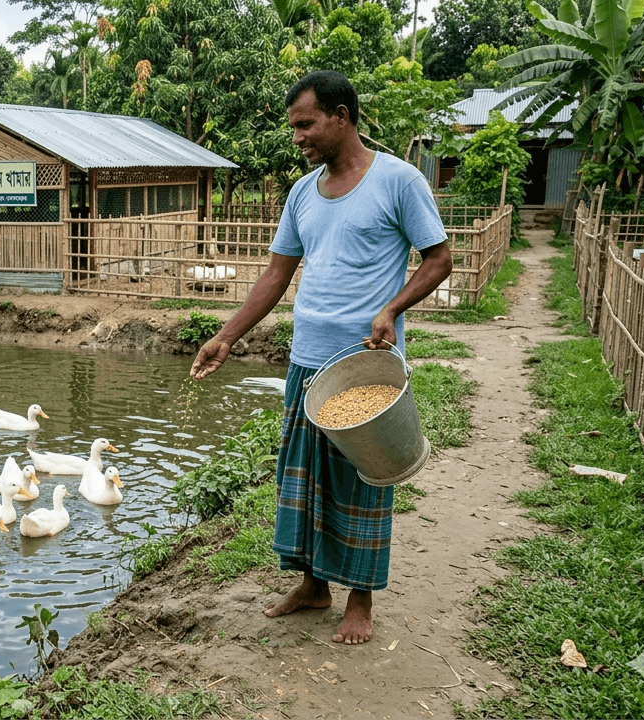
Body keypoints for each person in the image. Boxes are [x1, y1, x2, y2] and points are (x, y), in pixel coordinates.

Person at [189, 70, 452, 645]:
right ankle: (313, 585)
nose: (298, 138)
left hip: (366, 363)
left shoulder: (398, 181)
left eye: (306, 125)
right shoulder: (303, 193)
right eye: (293, 128)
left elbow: (438, 260)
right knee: (303, 479)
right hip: (307, 362)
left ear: (341, 115)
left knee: (362, 479)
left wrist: (392, 308)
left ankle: (361, 599)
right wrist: (227, 335)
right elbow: (276, 273)